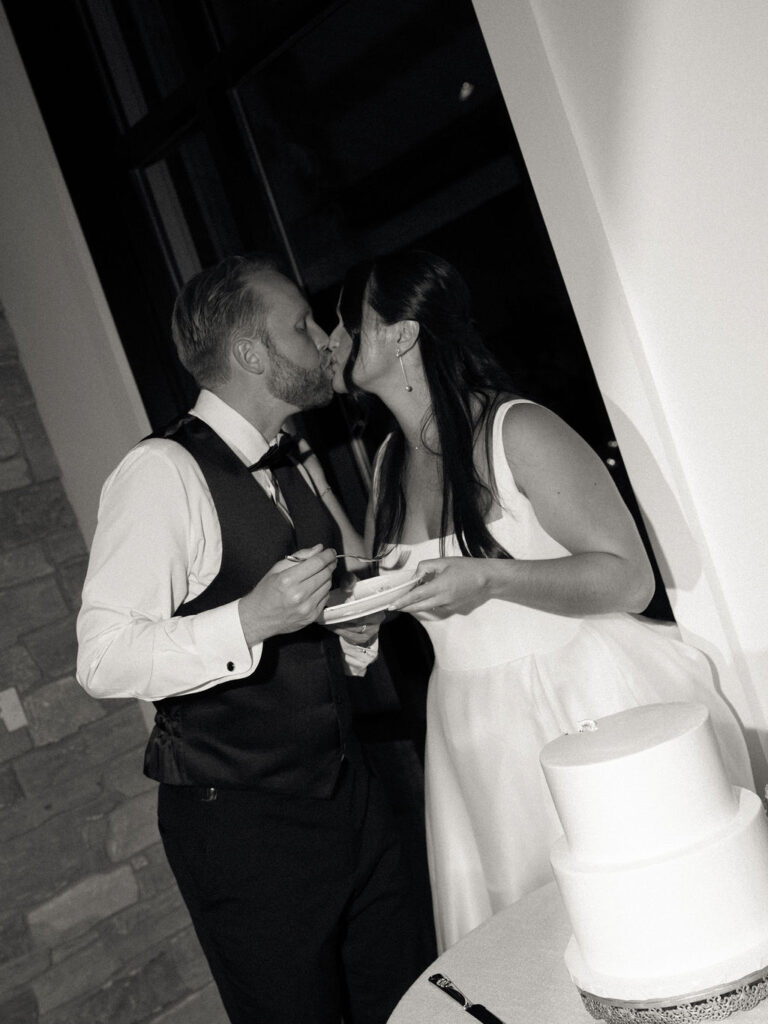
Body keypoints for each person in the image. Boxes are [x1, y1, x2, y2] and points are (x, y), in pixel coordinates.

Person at [327, 248, 753, 952]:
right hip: (469, 725)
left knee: (641, 924)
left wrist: (492, 577)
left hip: (576, 702)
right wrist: (365, 615)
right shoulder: (386, 464)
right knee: (528, 944)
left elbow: (628, 578)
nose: (334, 340)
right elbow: (403, 586)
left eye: (346, 321)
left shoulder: (516, 430)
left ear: (400, 334)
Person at [76, 253, 430, 1023]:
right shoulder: (161, 472)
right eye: (300, 326)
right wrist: (251, 619)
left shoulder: (288, 463)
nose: (322, 340)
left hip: (351, 793)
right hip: (244, 825)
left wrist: (350, 633)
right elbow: (103, 658)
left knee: (407, 1002)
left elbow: (293, 632)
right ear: (250, 354)